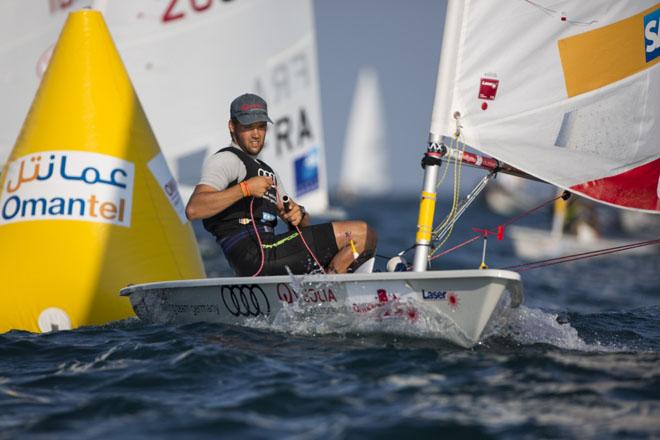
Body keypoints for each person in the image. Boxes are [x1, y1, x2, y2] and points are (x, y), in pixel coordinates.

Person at [185, 93, 378, 276]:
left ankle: (326, 288)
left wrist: (299, 215)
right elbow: (194, 209)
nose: (256, 134)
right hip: (255, 257)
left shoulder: (267, 172)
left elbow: (300, 230)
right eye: (248, 126)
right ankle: (330, 288)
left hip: (268, 253)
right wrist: (245, 189)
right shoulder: (226, 160)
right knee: (361, 233)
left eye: (261, 127)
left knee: (359, 242)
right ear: (232, 127)